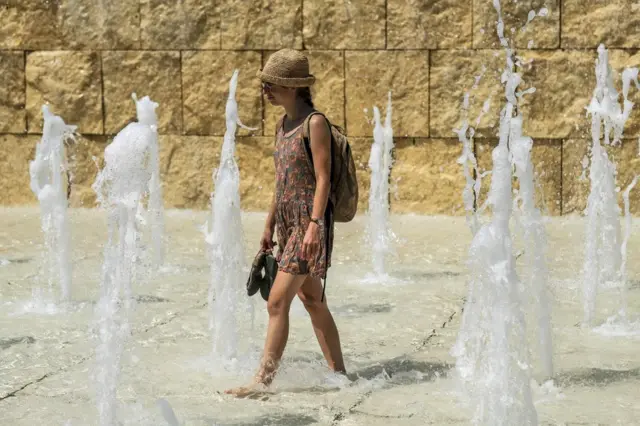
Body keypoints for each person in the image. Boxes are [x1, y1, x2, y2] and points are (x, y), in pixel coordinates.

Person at [225, 49, 346, 397]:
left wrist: (313, 226)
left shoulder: (315, 123)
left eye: (272, 85)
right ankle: (340, 374)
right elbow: (282, 182)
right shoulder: (282, 125)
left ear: (292, 87)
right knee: (313, 300)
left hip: (309, 225)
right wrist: (267, 226)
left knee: (277, 302)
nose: (265, 91)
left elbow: (322, 178)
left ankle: (261, 382)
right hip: (288, 224)